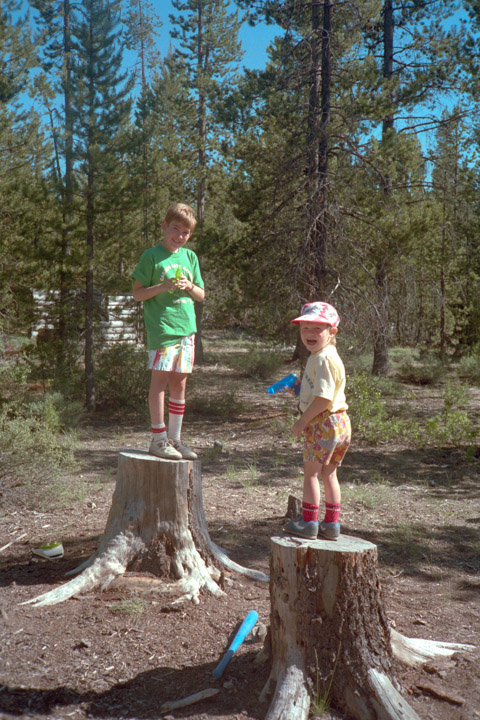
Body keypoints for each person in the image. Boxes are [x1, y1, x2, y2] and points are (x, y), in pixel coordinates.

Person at [132, 203, 204, 460]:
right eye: (175, 229)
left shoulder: (190, 258)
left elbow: (201, 294)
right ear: (164, 227)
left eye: (185, 232)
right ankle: (158, 438)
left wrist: (188, 286)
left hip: (187, 330)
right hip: (162, 329)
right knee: (159, 382)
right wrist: (162, 287)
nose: (179, 236)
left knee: (180, 384)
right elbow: (138, 293)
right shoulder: (151, 256)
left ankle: (175, 439)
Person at [285, 301, 351, 540]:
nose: (310, 334)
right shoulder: (328, 355)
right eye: (305, 329)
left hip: (322, 423)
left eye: (317, 329)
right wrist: (301, 389)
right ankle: (332, 524)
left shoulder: (321, 359)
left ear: (332, 331)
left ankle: (309, 522)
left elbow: (323, 399)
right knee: (329, 474)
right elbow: (324, 390)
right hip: (340, 422)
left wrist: (302, 421)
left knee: (311, 473)